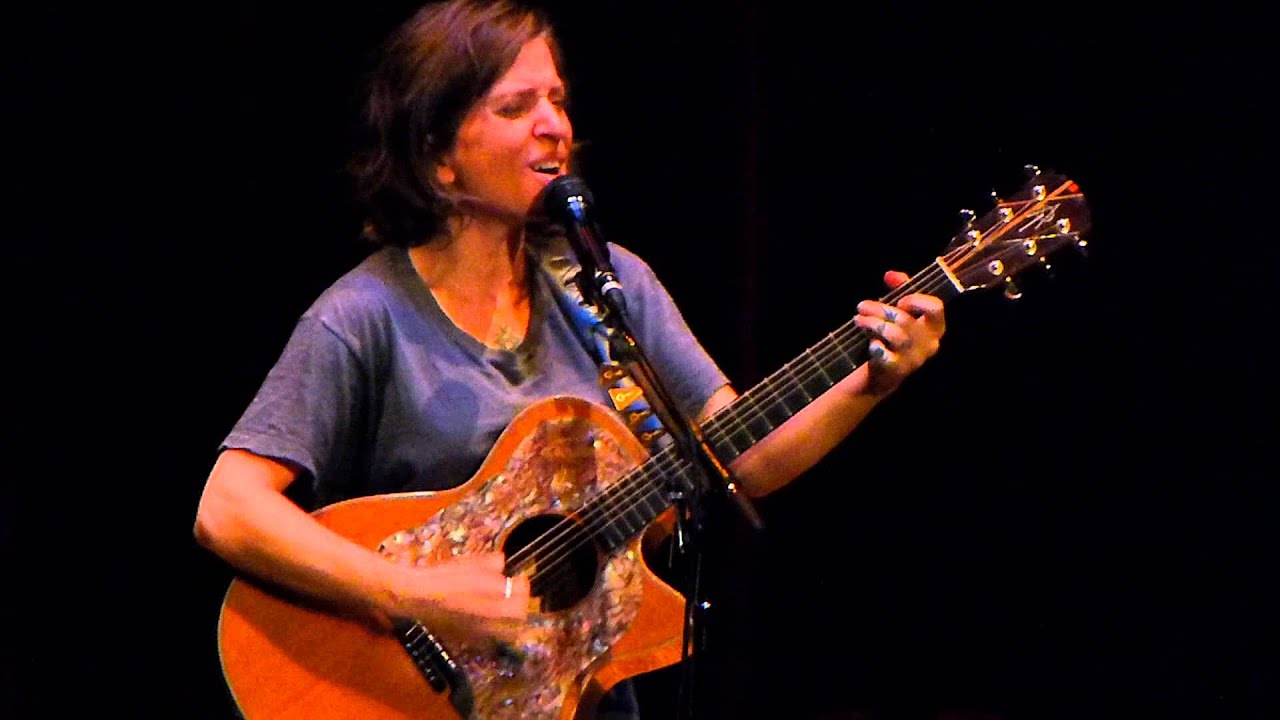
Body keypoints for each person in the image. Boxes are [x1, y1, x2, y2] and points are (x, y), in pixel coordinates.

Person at [192, 1, 947, 718]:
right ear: (439, 157)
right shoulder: (365, 315)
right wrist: (411, 593)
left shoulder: (609, 287)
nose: (553, 125)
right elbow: (227, 509)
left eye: (556, 99)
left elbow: (739, 457)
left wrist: (872, 381)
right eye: (515, 107)